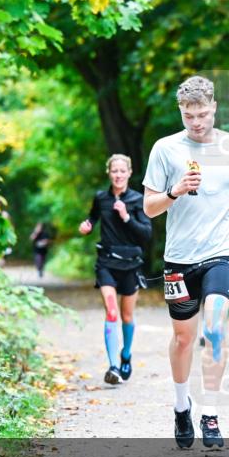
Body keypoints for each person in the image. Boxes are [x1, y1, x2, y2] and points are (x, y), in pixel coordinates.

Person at [143, 75, 229, 449]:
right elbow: (149, 207)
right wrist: (175, 191)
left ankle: (210, 413)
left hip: (223, 250)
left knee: (214, 328)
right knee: (182, 338)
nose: (196, 122)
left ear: (214, 108)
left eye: (203, 114)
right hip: (180, 256)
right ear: (181, 111)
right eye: (189, 116)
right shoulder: (165, 149)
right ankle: (181, 407)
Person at [79, 154, 152, 385]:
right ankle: (113, 367)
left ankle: (126, 355)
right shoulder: (101, 198)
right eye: (114, 171)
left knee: (127, 316)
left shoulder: (139, 199)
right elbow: (92, 218)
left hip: (131, 263)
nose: (118, 175)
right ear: (108, 173)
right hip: (107, 262)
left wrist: (126, 216)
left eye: (122, 171)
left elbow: (146, 234)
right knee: (111, 312)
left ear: (129, 173)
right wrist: (87, 225)